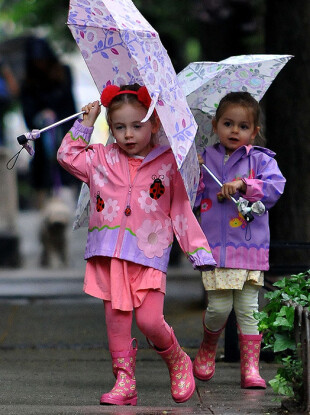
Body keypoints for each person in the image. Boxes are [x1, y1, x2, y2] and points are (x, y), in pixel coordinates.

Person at [57, 83, 216, 406]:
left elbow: (180, 208)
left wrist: (197, 249)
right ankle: (124, 381)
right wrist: (86, 123)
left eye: (136, 125)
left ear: (154, 124)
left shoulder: (169, 163)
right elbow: (67, 156)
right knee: (116, 322)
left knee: (148, 321)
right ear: (111, 128)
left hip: (148, 253)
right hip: (109, 253)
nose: (128, 134)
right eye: (119, 127)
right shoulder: (100, 159)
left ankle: (176, 358)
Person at [193, 91, 286, 389]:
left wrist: (243, 184)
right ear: (215, 126)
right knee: (219, 308)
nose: (235, 131)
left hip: (250, 248)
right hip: (217, 250)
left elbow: (274, 188)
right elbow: (190, 198)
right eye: (228, 123)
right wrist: (193, 170)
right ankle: (209, 345)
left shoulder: (261, 160)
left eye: (243, 126)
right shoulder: (205, 159)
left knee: (248, 310)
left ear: (254, 131)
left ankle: (251, 368)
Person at [20, 36, 77, 209]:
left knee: (67, 165)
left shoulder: (63, 72)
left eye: (42, 60)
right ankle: (44, 207)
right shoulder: (28, 82)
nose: (40, 64)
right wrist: (42, 114)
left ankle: (68, 204)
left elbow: (69, 104)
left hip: (64, 128)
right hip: (42, 133)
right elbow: (28, 111)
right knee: (43, 168)